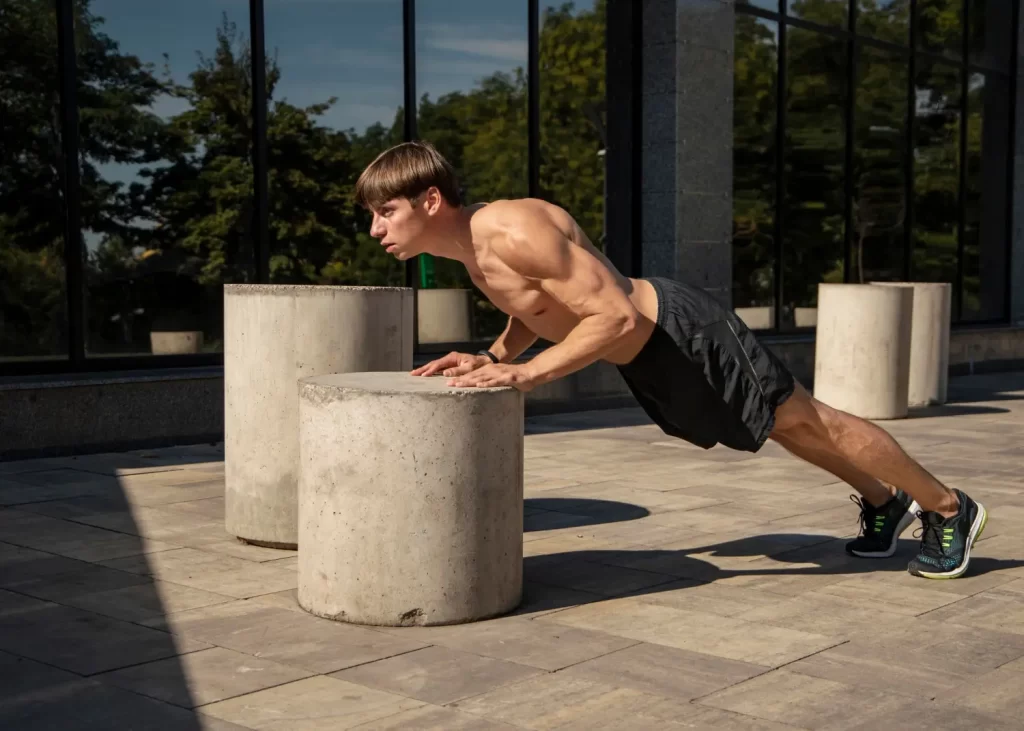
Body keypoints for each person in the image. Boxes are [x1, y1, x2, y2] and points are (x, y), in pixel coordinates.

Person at [354, 140, 988, 580]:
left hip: (682, 333)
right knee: (780, 428)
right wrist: (490, 354)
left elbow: (616, 316)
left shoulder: (514, 230)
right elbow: (538, 310)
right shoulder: (471, 253)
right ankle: (881, 501)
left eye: (387, 212)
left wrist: (525, 375)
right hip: (652, 358)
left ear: (430, 201)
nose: (377, 229)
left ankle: (948, 507)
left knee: (809, 419)